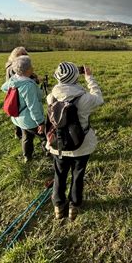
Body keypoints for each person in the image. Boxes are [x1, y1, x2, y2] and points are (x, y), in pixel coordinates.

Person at [46, 62, 103, 221]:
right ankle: (74, 205)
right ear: (75, 77)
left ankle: (58, 205)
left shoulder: (51, 97)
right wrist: (89, 78)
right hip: (82, 145)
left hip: (59, 145)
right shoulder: (85, 98)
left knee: (59, 174)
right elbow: (99, 97)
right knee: (78, 175)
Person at [1, 55, 45, 162]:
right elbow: (33, 106)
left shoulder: (14, 80)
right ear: (27, 70)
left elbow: (3, 87)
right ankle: (50, 152)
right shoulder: (28, 86)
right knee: (46, 136)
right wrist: (40, 122)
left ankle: (27, 157)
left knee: (26, 137)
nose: (33, 68)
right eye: (31, 66)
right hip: (30, 120)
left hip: (18, 118)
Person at [5, 47, 40, 139]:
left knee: (20, 115)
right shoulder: (13, 68)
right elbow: (20, 79)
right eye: (22, 54)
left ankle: (22, 133)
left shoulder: (20, 65)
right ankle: (20, 132)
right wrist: (34, 80)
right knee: (20, 112)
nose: (24, 55)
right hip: (19, 95)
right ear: (15, 56)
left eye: (25, 53)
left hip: (19, 94)